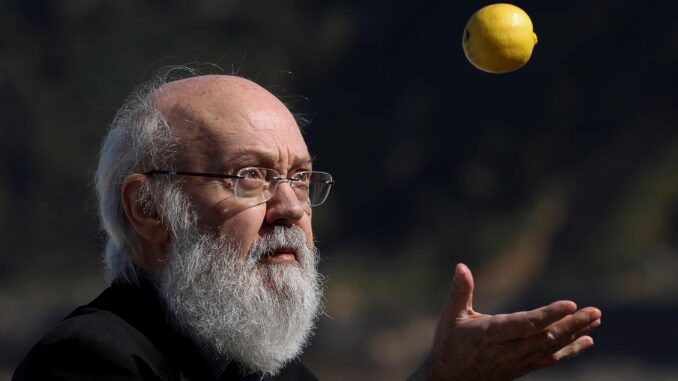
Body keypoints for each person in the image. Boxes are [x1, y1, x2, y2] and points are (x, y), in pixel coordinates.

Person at [13, 71, 602, 381]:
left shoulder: (261, 369)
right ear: (149, 209)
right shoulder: (90, 360)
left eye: (301, 178)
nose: (291, 207)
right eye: (250, 177)